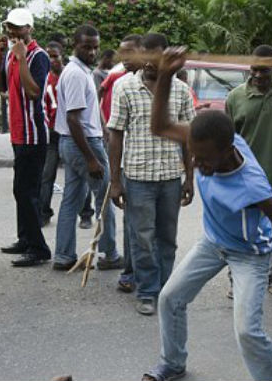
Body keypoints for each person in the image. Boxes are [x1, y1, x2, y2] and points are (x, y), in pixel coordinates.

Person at [141, 46, 272, 381]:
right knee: (170, 298)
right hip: (213, 242)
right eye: (194, 157)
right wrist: (168, 75)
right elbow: (159, 126)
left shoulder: (253, 186)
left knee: (247, 331)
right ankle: (172, 364)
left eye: (204, 161)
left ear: (229, 151)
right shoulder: (207, 139)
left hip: (250, 253)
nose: (198, 166)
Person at [108, 33, 195, 315]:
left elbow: (188, 138)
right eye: (143, 56)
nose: (148, 62)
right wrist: (115, 181)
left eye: (155, 57)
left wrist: (190, 178)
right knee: (142, 237)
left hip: (170, 177)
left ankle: (165, 289)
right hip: (137, 177)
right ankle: (147, 291)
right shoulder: (124, 87)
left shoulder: (180, 90)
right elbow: (116, 135)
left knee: (167, 237)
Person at [225, 44, 272, 297]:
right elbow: (229, 140)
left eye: (264, 71)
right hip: (241, 177)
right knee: (241, 229)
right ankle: (237, 279)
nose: (258, 75)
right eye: (254, 70)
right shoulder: (235, 97)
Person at [53, 24, 122, 271]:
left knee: (71, 200)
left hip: (78, 143)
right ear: (75, 45)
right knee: (105, 198)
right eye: (86, 47)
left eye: (95, 47)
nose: (92, 52)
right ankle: (110, 254)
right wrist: (92, 159)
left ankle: (63, 256)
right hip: (81, 145)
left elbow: (84, 114)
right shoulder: (75, 74)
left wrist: (102, 128)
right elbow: (73, 119)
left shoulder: (81, 71)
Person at [0, 8, 52, 267]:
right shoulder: (10, 55)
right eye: (9, 27)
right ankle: (25, 239)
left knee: (26, 191)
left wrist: (22, 59)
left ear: (30, 29)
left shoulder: (38, 56)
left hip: (33, 134)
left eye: (18, 27)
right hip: (17, 132)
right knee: (21, 191)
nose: (13, 32)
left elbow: (34, 92)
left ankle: (38, 248)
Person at [100, 33, 143, 293]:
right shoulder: (121, 82)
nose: (123, 58)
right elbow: (115, 133)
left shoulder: (166, 84)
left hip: (156, 168)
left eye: (129, 53)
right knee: (132, 224)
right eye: (121, 53)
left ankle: (151, 272)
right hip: (129, 165)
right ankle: (130, 271)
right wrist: (115, 179)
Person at [40, 41, 65, 227]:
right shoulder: (45, 79)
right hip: (52, 133)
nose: (52, 60)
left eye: (55, 56)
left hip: (70, 132)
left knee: (79, 174)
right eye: (48, 56)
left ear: (62, 56)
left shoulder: (69, 76)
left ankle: (86, 212)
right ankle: (43, 212)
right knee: (47, 175)